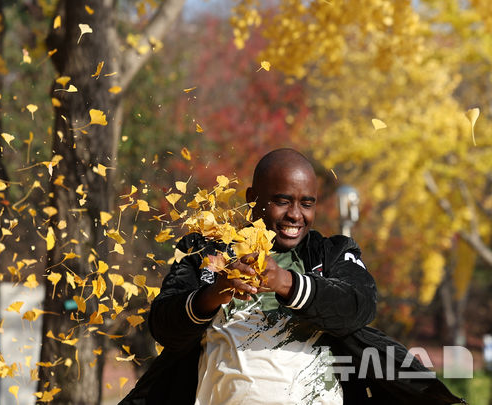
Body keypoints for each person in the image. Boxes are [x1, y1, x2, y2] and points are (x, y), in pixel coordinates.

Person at [120, 148, 463, 405]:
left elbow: (360, 306)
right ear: (252, 200)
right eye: (282, 201)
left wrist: (286, 282)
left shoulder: (330, 253)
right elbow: (163, 325)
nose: (295, 215)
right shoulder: (204, 250)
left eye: (307, 203)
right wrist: (212, 294)